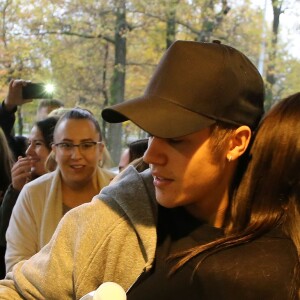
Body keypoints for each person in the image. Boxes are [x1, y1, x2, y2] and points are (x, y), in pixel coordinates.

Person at [0, 41, 292, 299]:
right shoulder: (110, 221)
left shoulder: (284, 238)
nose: (151, 155)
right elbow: (17, 292)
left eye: (175, 138)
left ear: (236, 142)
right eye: (151, 134)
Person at [4, 108, 115, 272]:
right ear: (54, 151)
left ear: (100, 150)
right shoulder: (33, 194)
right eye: (66, 145)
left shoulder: (120, 190)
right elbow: (16, 264)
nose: (76, 155)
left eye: (86, 145)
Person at [0, 116, 59, 278]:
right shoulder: (28, 190)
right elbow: (5, 241)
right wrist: (15, 191)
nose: (28, 152)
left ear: (57, 148)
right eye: (28, 144)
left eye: (37, 144)